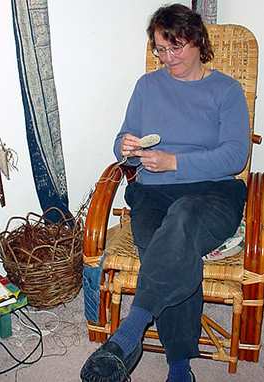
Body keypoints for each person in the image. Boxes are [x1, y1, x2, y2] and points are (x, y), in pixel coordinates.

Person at [80, 3, 249, 382]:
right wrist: (123, 145)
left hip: (213, 193)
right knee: (173, 248)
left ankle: (130, 331)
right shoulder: (147, 86)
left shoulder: (226, 90)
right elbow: (121, 141)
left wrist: (175, 163)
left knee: (183, 218)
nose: (167, 57)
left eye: (176, 47)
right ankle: (178, 366)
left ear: (198, 43)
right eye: (160, 48)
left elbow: (236, 156)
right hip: (153, 193)